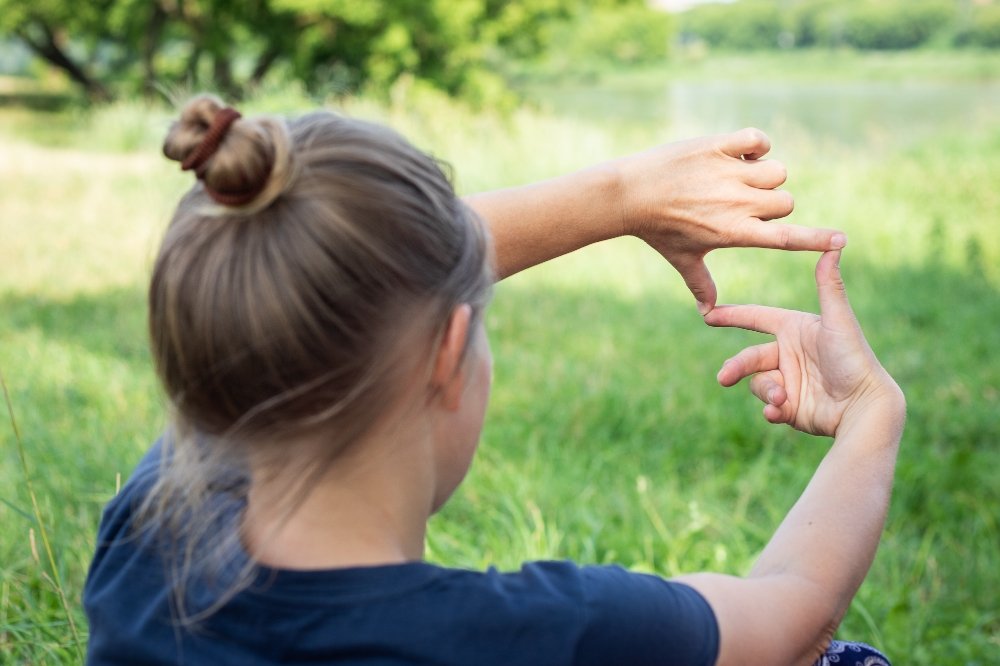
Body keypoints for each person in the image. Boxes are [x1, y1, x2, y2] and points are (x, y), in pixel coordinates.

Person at [83, 95, 904, 665]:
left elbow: (313, 281)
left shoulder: (149, 545)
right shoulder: (538, 637)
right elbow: (794, 621)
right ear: (448, 353)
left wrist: (621, 197)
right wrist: (870, 413)